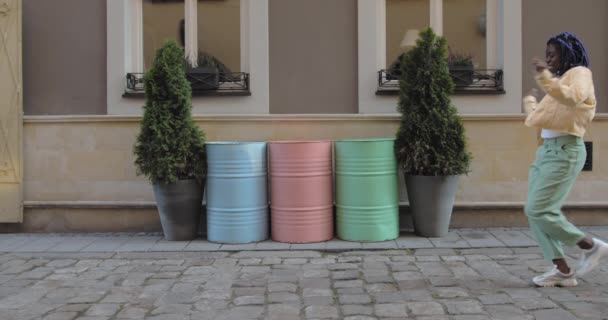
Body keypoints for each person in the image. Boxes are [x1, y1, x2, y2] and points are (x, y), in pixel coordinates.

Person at [523, 32, 608, 287]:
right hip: (547, 152)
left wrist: (544, 78)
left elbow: (572, 97)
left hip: (565, 151)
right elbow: (541, 118)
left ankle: (590, 246)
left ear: (567, 53)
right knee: (535, 212)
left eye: (552, 54)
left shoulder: (580, 73)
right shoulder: (559, 81)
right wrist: (530, 100)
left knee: (539, 209)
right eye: (546, 54)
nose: (548, 59)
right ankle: (561, 269)